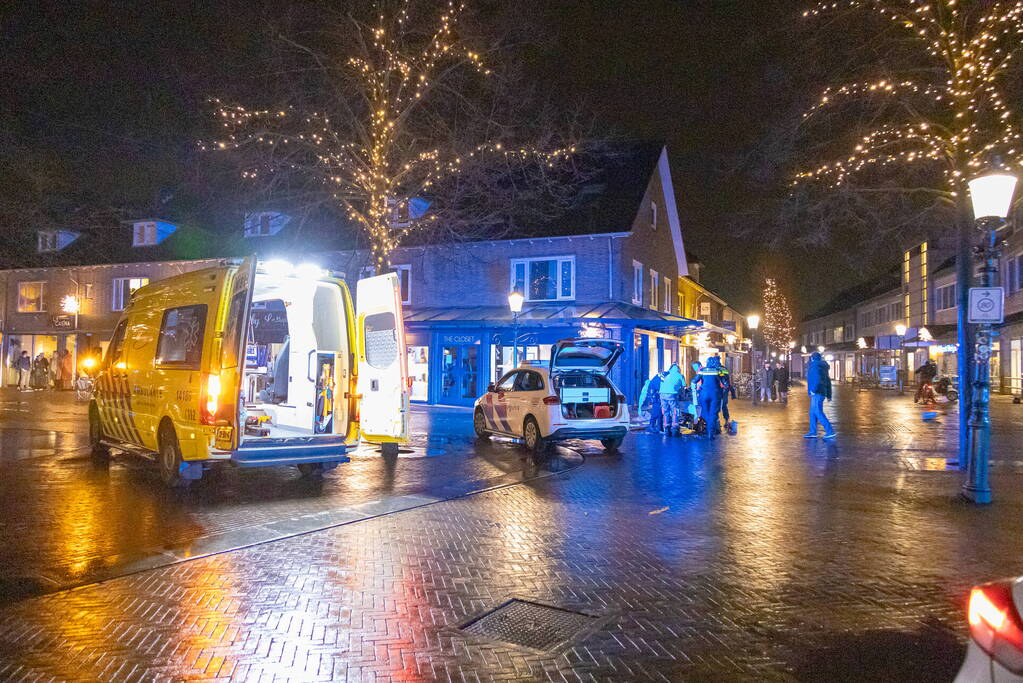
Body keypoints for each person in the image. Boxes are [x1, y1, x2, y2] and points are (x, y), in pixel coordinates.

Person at [804, 351, 836, 439]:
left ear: (812, 358)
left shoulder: (814, 366)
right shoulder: (823, 367)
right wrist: (829, 395)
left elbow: (816, 379)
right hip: (821, 392)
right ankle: (812, 431)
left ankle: (830, 431)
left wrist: (813, 390)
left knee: (817, 411)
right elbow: (828, 382)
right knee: (812, 412)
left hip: (816, 393)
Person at [695, 356, 726, 437]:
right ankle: (710, 432)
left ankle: (708, 425)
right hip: (715, 395)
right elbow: (724, 382)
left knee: (705, 412)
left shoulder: (702, 370)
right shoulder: (717, 371)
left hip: (704, 394)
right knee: (713, 413)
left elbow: (694, 381)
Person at [659, 363, 686, 436]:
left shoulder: (667, 375)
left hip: (662, 394)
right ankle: (675, 429)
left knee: (665, 411)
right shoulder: (680, 376)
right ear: (678, 369)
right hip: (671, 394)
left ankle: (667, 429)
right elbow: (683, 388)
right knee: (674, 411)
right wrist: (683, 397)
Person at [717, 360, 737, 425]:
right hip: (725, 389)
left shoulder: (716, 369)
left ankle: (717, 421)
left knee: (717, 405)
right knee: (724, 405)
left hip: (719, 389)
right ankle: (727, 420)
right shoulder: (724, 368)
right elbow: (727, 379)